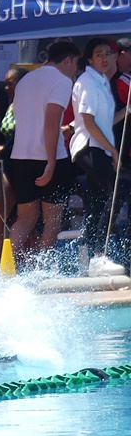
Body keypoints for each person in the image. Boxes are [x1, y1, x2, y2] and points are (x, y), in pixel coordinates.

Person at [5, 40, 80, 262]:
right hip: (48, 157)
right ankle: (41, 272)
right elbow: (51, 122)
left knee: (25, 219)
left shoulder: (26, 80)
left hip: (20, 156)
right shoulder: (61, 81)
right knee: (52, 223)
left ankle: (9, 268)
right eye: (75, 64)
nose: (75, 69)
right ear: (67, 60)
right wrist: (51, 162)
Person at [70, 37, 126, 276]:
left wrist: (127, 110)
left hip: (98, 146)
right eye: (99, 54)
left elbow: (103, 122)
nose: (105, 58)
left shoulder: (101, 82)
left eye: (108, 53)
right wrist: (113, 151)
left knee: (96, 203)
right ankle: (98, 256)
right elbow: (89, 123)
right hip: (90, 147)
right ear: (90, 59)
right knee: (117, 192)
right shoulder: (88, 81)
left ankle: (87, 258)